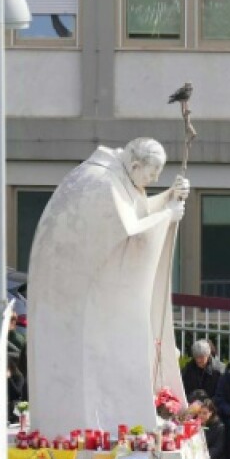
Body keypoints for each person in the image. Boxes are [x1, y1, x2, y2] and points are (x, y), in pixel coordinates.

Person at [28, 138, 189, 436]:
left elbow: (135, 213)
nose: (153, 181)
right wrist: (167, 214)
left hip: (95, 297)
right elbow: (130, 233)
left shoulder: (118, 175)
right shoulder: (99, 183)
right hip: (77, 302)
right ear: (135, 165)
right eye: (151, 175)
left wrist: (169, 197)